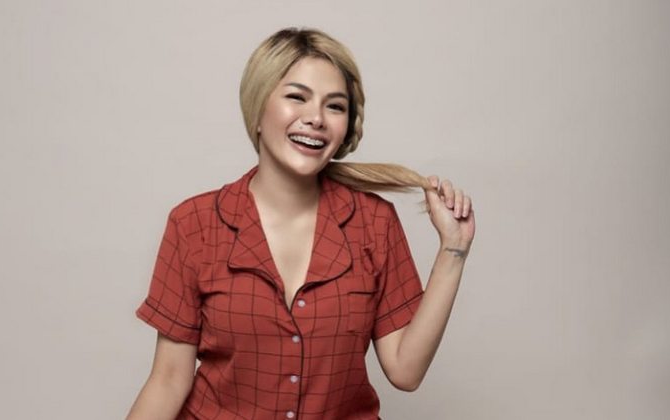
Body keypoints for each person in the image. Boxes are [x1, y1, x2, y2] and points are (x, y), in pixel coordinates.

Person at [126, 27, 475, 420]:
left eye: (335, 106)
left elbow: (405, 371)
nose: (316, 119)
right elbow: (168, 379)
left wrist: (454, 249)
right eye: (297, 97)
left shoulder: (375, 223)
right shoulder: (194, 225)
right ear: (258, 109)